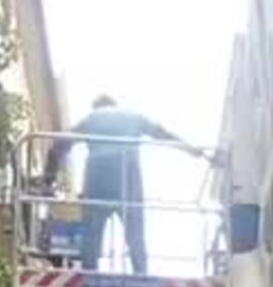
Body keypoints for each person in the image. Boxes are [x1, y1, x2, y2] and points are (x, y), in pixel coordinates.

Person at [42, 95, 184, 275]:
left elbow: (60, 143)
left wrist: (48, 179)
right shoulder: (134, 116)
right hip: (128, 176)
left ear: (97, 107)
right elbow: (162, 133)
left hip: (97, 176)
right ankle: (141, 272)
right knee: (135, 232)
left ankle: (89, 272)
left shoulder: (91, 118)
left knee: (92, 232)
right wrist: (196, 151)